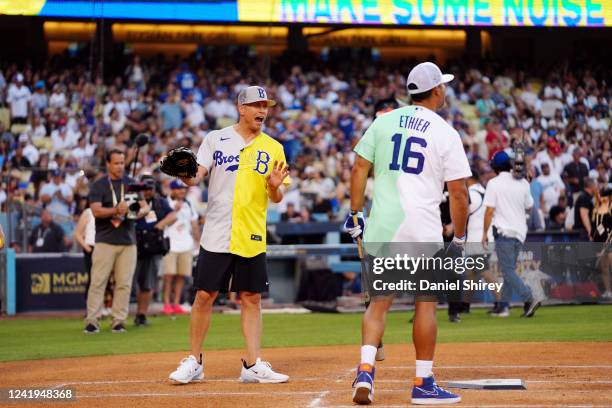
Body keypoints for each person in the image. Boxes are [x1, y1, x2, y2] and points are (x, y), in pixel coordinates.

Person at [345, 62, 469, 405]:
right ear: (437, 90)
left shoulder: (383, 121)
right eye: (443, 86)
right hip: (422, 227)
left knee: (378, 305)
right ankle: (422, 382)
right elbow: (459, 194)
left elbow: (359, 166)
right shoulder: (445, 132)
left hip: (383, 224)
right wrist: (459, 238)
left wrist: (355, 212)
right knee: (425, 304)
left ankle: (366, 371)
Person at [168, 86, 290, 384]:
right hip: (218, 230)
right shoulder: (215, 138)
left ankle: (251, 365)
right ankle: (194, 362)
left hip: (251, 232)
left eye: (266, 105)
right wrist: (184, 175)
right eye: (256, 105)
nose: (263, 110)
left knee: (251, 298)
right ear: (241, 108)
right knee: (204, 295)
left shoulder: (274, 147)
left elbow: (277, 197)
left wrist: (274, 185)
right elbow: (196, 175)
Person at [84, 149, 149, 334]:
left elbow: (144, 207)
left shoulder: (132, 183)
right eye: (116, 163)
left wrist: (135, 211)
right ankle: (92, 321)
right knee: (98, 282)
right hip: (105, 240)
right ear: (108, 164)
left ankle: (118, 321)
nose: (120, 166)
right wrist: (116, 210)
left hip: (128, 241)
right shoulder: (98, 186)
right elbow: (96, 211)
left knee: (124, 284)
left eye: (122, 163)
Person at [482, 151, 543, 318]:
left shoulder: (493, 183)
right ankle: (504, 307)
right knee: (508, 271)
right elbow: (529, 206)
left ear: (495, 166)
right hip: (520, 234)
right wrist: (526, 184)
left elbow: (489, 211)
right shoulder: (522, 181)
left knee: (508, 271)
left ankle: (529, 298)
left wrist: (484, 233)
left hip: (504, 232)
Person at [133, 174, 176, 326]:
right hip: (134, 243)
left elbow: (173, 215)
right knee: (127, 282)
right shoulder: (134, 200)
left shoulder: (160, 202)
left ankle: (141, 314)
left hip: (152, 245)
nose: (147, 191)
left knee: (148, 282)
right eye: (144, 188)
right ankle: (118, 317)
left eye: (150, 188)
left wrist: (161, 224)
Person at [162, 179, 200, 315]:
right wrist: (173, 210)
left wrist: (198, 240)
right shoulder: (165, 202)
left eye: (184, 188)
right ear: (172, 190)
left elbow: (194, 224)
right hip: (170, 244)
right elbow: (161, 221)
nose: (182, 191)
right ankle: (166, 303)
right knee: (169, 276)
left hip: (186, 244)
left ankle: (176, 303)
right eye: (178, 189)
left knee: (182, 275)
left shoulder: (188, 203)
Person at [592, 188, 612, 299]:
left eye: (605, 196)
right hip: (603, 243)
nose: (602, 198)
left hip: (610, 242)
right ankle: (608, 291)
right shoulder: (597, 210)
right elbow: (597, 228)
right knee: (604, 267)